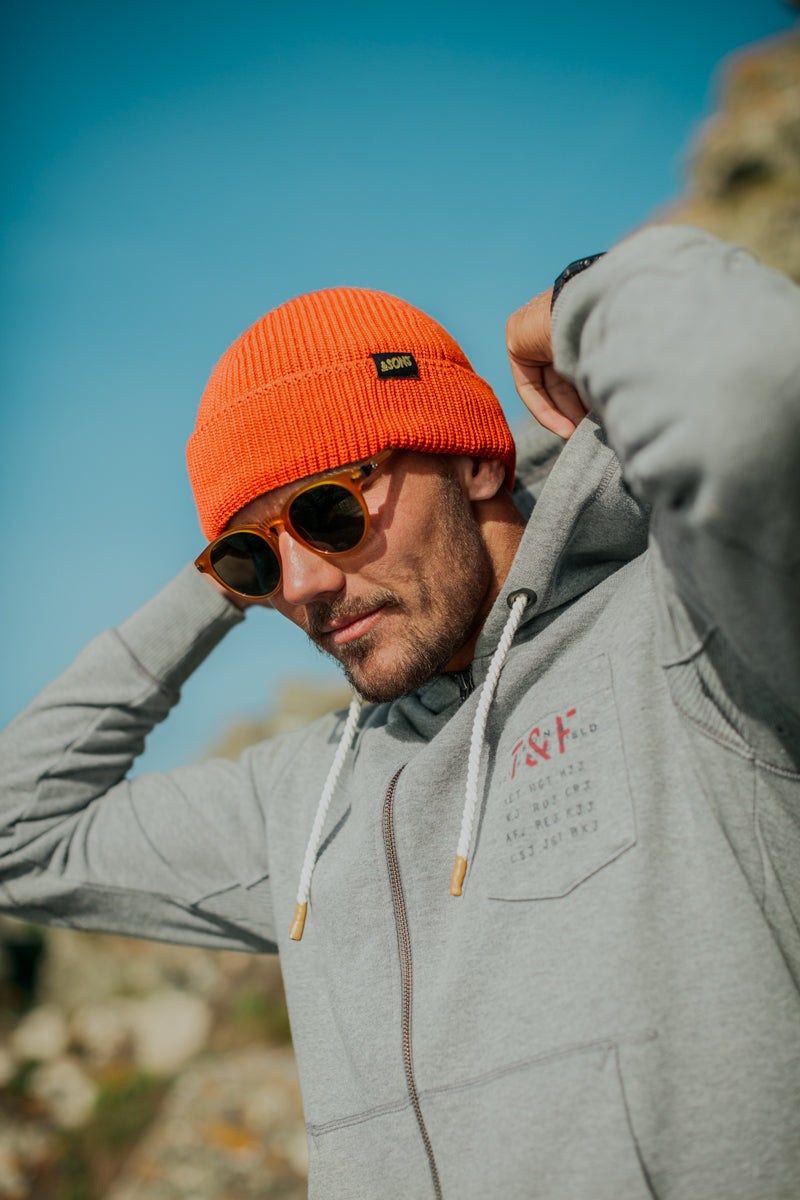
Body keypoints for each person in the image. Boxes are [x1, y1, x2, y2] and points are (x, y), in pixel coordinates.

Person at [1, 224, 799, 1199]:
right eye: (256, 562)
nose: (302, 588)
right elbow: (16, 833)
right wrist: (230, 556)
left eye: (329, 510)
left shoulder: (699, 627)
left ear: (475, 463)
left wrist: (589, 299)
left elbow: (759, 400)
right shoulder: (302, 797)